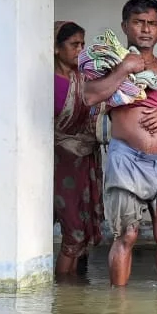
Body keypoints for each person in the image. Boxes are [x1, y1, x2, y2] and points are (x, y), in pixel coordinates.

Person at [83, 0, 157, 286]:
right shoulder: (109, 65)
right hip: (126, 161)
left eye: (152, 24)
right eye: (138, 23)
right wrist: (123, 69)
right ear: (125, 26)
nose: (146, 29)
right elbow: (88, 97)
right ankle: (118, 308)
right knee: (127, 234)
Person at [51, 21, 103, 275]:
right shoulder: (50, 83)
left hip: (84, 161)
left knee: (80, 236)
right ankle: (63, 298)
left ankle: (73, 300)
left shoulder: (84, 78)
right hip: (62, 161)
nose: (80, 50)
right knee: (73, 234)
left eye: (83, 44)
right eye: (74, 45)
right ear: (56, 48)